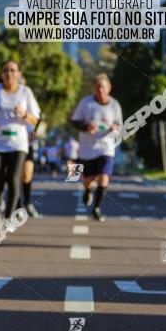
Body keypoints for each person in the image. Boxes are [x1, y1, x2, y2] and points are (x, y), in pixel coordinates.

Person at [0, 60, 40, 225]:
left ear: (19, 74)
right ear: (1, 74)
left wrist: (24, 114)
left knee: (13, 178)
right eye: (6, 70)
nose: (9, 73)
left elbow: (35, 119)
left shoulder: (26, 92)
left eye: (13, 70)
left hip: (18, 143)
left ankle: (8, 217)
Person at [70, 74, 123, 221]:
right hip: (87, 148)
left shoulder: (114, 105)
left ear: (109, 89)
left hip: (106, 148)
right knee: (87, 179)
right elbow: (74, 122)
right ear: (94, 89)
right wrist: (86, 126)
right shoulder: (86, 103)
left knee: (104, 178)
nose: (100, 90)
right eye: (98, 87)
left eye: (103, 87)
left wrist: (115, 128)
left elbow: (120, 126)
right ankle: (87, 190)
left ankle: (97, 208)